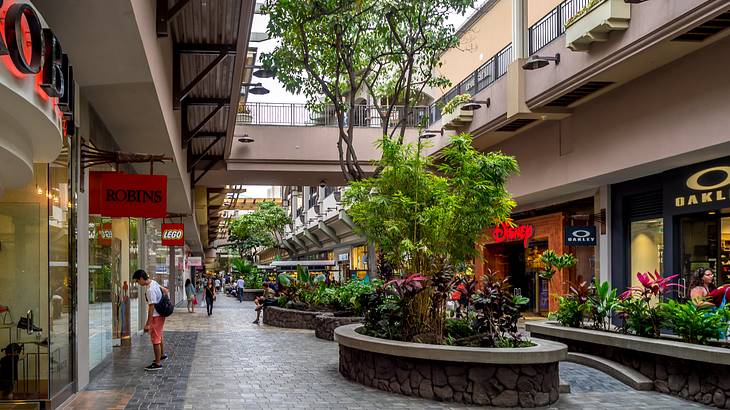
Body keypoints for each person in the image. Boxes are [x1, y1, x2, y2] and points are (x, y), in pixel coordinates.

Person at [132, 269, 168, 371]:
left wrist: (148, 323)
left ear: (141, 278)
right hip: (161, 315)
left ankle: (157, 364)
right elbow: (165, 290)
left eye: (137, 281)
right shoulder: (154, 283)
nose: (137, 283)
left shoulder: (150, 290)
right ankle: (161, 355)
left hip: (156, 316)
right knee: (159, 336)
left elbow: (151, 307)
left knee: (155, 340)